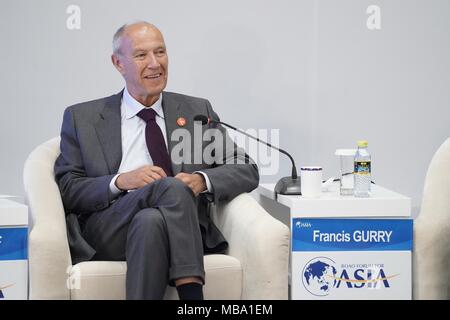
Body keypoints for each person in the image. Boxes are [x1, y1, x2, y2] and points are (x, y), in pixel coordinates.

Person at [54, 21, 259, 300]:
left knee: (151, 220)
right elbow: (68, 187)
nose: (154, 63)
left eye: (160, 52)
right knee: (172, 187)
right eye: (141, 55)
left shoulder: (196, 110)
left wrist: (201, 181)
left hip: (177, 226)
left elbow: (245, 167)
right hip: (109, 226)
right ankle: (192, 297)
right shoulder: (83, 118)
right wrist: (121, 181)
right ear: (118, 63)